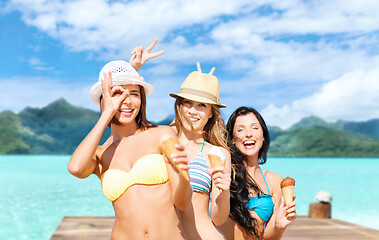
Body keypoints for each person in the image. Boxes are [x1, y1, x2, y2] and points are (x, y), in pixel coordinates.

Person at [67, 59, 192, 239]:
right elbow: (75, 168)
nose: (127, 101)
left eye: (134, 94)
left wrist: (184, 179)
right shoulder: (101, 154)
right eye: (118, 94)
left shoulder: (162, 134)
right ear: (104, 100)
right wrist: (106, 114)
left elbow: (182, 202)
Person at [131, 43, 231, 239]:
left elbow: (218, 219)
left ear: (212, 113)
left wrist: (225, 192)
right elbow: (127, 124)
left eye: (202, 105)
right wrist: (133, 70)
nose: (193, 111)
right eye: (188, 103)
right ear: (179, 105)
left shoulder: (218, 154)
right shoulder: (160, 139)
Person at [220, 106, 297, 240]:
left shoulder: (275, 181)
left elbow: (268, 237)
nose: (248, 134)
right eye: (240, 129)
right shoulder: (224, 176)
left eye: (255, 128)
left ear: (263, 136)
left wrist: (279, 226)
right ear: (232, 139)